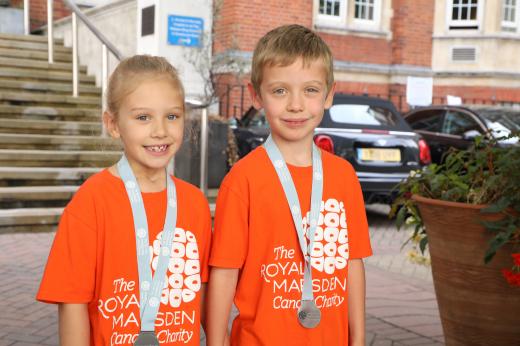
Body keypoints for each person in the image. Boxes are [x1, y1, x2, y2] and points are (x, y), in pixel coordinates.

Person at [206, 24, 372, 346]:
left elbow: (353, 264)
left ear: (329, 95)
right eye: (280, 91)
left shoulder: (344, 177)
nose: (295, 105)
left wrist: (359, 337)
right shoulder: (242, 180)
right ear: (256, 95)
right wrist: (216, 340)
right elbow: (224, 273)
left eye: (310, 90)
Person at [37, 55, 212, 346]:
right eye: (143, 117)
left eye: (172, 116)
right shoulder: (90, 203)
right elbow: (72, 304)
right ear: (113, 124)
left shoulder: (194, 203)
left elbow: (201, 291)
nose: (160, 130)